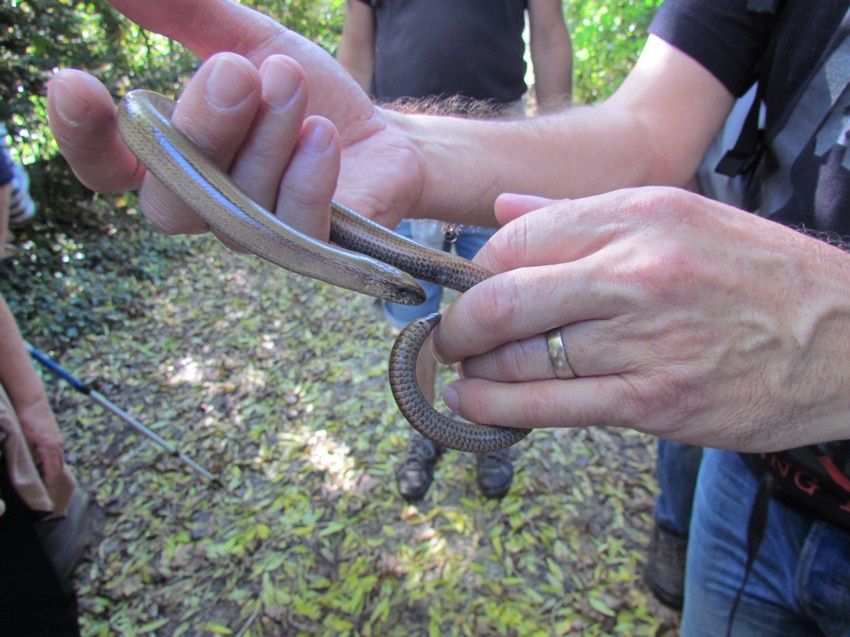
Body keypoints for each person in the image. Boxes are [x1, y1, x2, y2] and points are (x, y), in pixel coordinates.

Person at [47, 0, 850, 633]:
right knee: (455, 329)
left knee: (484, 324)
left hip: (767, 454)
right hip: (752, 485)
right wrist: (392, 138)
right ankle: (445, 437)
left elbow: (554, 48)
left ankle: (481, 445)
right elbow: (648, 132)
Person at [336, 0, 572, 501]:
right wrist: (341, 145)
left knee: (501, 309)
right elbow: (356, 51)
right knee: (413, 318)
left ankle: (492, 434)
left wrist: (559, 143)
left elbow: (550, 35)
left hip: (503, 148)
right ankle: (426, 432)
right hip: (397, 147)